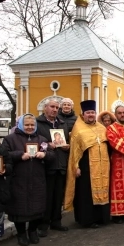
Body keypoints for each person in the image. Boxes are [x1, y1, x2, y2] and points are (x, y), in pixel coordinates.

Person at [3, 114, 55, 246]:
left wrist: (44, 154)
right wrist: (20, 155)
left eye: (32, 125)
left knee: (37, 207)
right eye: (27, 125)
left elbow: (51, 156)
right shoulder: (10, 139)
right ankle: (21, 234)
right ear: (20, 125)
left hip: (37, 179)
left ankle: (32, 231)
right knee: (18, 208)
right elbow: (4, 155)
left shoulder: (41, 139)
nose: (30, 127)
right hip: (18, 179)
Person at [64, 100, 110, 228]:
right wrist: (76, 166)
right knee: (86, 194)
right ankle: (87, 220)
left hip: (102, 166)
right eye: (88, 112)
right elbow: (74, 151)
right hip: (86, 167)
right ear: (83, 114)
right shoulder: (78, 129)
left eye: (93, 112)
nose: (91, 115)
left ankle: (102, 218)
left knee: (103, 189)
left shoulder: (101, 128)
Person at [36, 98, 70, 237]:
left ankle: (56, 221)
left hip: (60, 163)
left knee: (58, 195)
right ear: (45, 108)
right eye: (52, 107)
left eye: (57, 107)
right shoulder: (38, 123)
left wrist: (67, 146)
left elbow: (66, 141)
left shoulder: (62, 123)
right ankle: (43, 224)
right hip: (46, 164)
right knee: (47, 196)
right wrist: (46, 144)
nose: (55, 109)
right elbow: (34, 141)